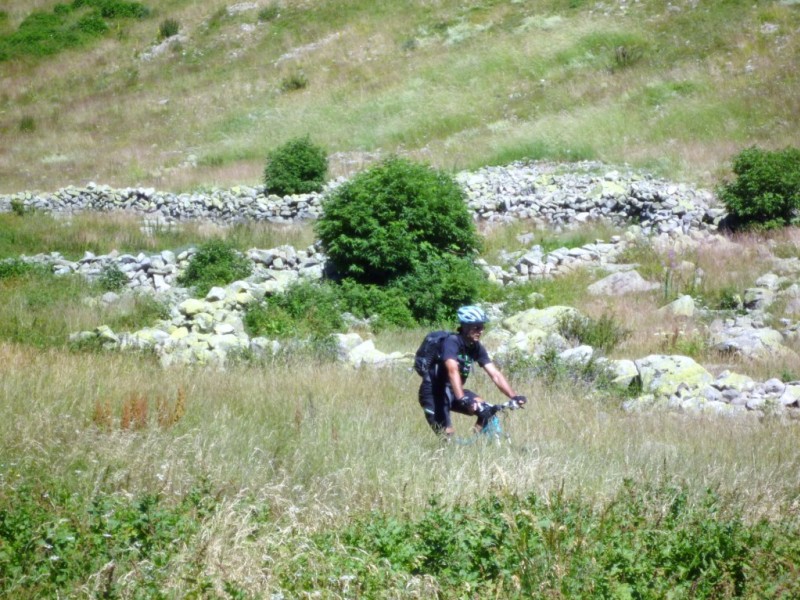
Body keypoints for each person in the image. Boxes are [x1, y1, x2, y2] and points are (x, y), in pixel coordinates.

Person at [418, 305, 527, 437]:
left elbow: (495, 374)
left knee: (487, 411)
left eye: (482, 327)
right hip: (434, 393)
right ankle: (449, 450)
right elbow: (452, 370)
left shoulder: (476, 347)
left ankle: (475, 445)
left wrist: (513, 396)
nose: (480, 331)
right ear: (465, 326)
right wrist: (462, 398)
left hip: (454, 391)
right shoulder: (451, 342)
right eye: (476, 327)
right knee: (447, 437)